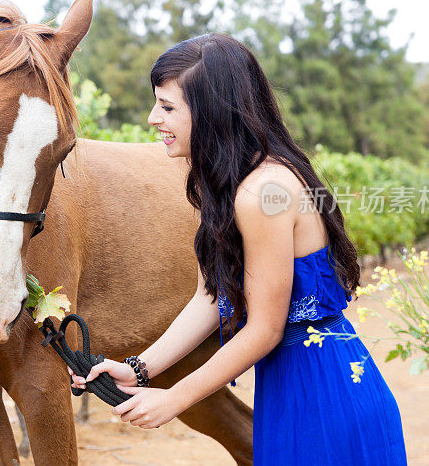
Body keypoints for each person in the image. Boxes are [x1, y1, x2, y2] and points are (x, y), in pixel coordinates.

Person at [69, 34, 407, 465]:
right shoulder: (223, 187)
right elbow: (209, 297)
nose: (154, 117)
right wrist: (138, 368)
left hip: (323, 395)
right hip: (291, 388)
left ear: (212, 111)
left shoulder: (261, 193)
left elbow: (266, 329)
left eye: (168, 106)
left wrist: (175, 399)